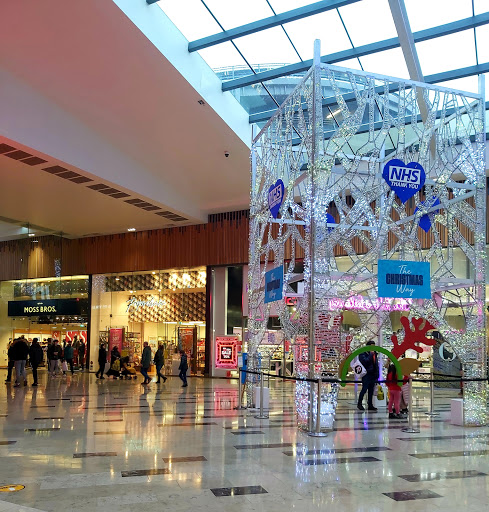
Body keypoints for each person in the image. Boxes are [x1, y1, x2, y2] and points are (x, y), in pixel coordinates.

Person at [357, 341, 379, 411]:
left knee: (371, 390)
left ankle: (370, 404)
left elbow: (376, 364)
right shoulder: (362, 353)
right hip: (366, 374)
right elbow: (365, 362)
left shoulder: (374, 354)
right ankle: (359, 403)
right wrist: (371, 355)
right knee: (364, 389)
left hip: (373, 374)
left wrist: (377, 374)